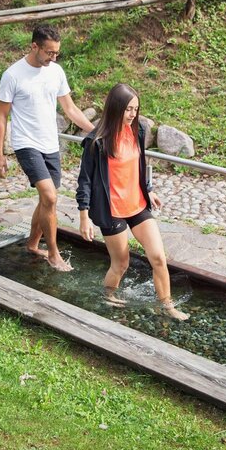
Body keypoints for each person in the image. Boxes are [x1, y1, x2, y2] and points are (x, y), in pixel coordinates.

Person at [76, 83, 189, 321]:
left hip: (136, 203)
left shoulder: (137, 131)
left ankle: (167, 306)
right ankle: (108, 295)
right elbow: (85, 180)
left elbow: (138, 166)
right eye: (128, 109)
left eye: (136, 109)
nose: (133, 114)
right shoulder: (97, 141)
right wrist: (84, 216)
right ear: (116, 108)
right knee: (121, 264)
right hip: (112, 209)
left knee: (158, 257)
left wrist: (148, 190)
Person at [0, 23, 94, 271]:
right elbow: (1, 117)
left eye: (56, 53)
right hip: (26, 143)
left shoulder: (56, 72)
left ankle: (31, 244)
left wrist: (96, 131)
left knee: (47, 200)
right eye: (49, 52)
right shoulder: (13, 75)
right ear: (34, 46)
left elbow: (70, 109)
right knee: (50, 196)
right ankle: (53, 254)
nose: (53, 57)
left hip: (50, 143)